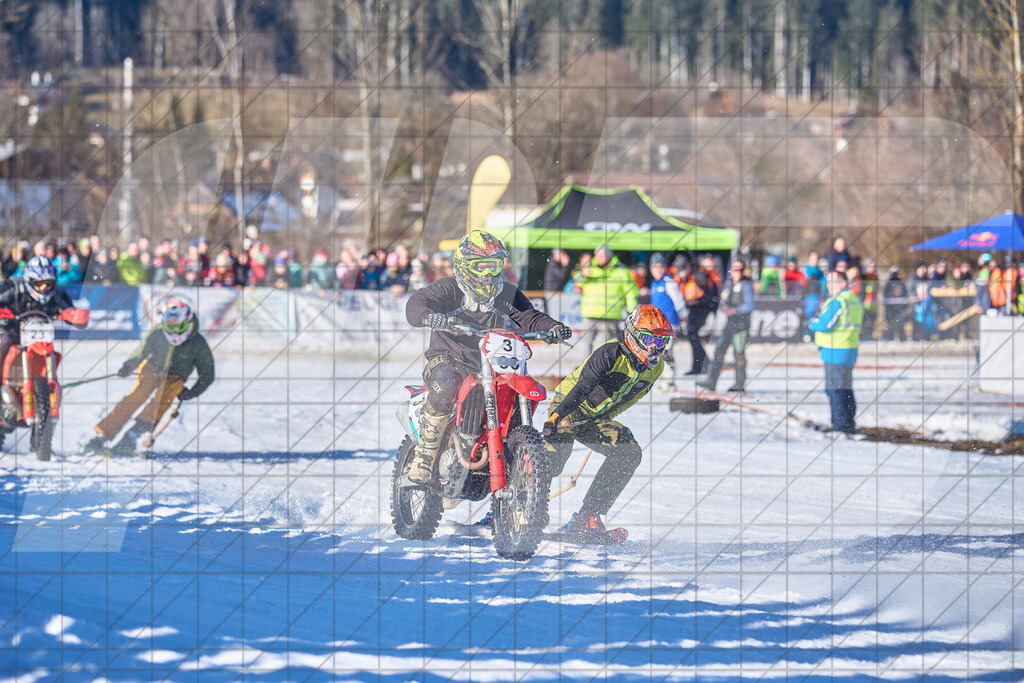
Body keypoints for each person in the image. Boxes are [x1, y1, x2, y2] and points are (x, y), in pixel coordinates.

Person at [404, 230, 571, 484]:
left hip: (492, 363)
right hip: (449, 358)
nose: (488, 274)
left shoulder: (506, 293)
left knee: (513, 395)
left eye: (494, 266)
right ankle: (425, 456)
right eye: (481, 266)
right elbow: (417, 302)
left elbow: (529, 317)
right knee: (447, 380)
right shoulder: (449, 288)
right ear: (464, 265)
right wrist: (428, 315)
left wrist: (552, 327)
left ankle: (513, 470)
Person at [541, 305, 672, 540]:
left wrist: (603, 419)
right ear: (632, 334)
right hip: (570, 407)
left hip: (595, 418)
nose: (655, 348)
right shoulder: (611, 352)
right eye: (649, 339)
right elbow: (583, 387)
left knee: (628, 451)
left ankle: (588, 515)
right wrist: (557, 416)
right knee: (555, 456)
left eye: (661, 342)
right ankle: (522, 506)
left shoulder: (657, 369)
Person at [85, 300, 215, 455]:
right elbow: (141, 351)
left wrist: (192, 392)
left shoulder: (198, 343)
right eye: (169, 326)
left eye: (177, 326)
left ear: (187, 323)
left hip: (174, 377)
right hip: (152, 368)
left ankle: (132, 435)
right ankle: (102, 434)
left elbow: (207, 374)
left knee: (162, 398)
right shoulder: (157, 332)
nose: (173, 330)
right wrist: (129, 365)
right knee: (137, 395)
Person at [0, 257, 87, 379]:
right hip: (12, 329)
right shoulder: (13, 286)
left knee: (50, 352)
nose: (44, 288)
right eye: (39, 284)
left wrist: (74, 316)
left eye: (48, 283)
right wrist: (5, 312)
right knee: (5, 342)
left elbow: (71, 311)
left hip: (43, 335)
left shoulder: (57, 293)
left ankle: (50, 381)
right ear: (29, 280)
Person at [808, 270, 863, 435]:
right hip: (849, 349)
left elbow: (825, 324)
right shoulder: (854, 300)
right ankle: (848, 423)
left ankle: (840, 426)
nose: (829, 286)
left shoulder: (839, 301)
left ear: (843, 283)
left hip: (835, 351)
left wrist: (812, 321)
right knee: (846, 389)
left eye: (833, 282)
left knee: (835, 390)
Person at [698, 258, 754, 392]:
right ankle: (712, 381)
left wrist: (734, 310)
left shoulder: (745, 285)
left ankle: (739, 384)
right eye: (735, 269)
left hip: (741, 324)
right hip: (730, 323)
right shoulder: (730, 285)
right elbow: (724, 299)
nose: (737, 272)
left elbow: (749, 305)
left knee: (738, 353)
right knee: (719, 351)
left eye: (739, 269)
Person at [578, 245, 639, 353]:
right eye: (597, 255)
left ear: (609, 255)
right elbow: (576, 283)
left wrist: (631, 310)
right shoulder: (589, 268)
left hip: (609, 316)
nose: (599, 258)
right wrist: (583, 274)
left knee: (601, 347)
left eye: (602, 255)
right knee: (584, 345)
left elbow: (631, 292)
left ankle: (598, 369)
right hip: (589, 314)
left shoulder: (621, 271)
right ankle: (583, 368)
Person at [647, 253, 685, 388]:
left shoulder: (668, 281)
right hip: (657, 325)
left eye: (660, 267)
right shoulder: (654, 283)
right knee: (658, 351)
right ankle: (665, 378)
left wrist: (683, 319)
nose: (658, 270)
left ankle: (670, 381)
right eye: (655, 267)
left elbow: (679, 301)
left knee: (666, 350)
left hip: (669, 323)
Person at [680, 254, 720, 374]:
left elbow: (708, 294)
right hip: (698, 308)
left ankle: (702, 364)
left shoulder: (699, 274)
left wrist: (696, 301)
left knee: (693, 335)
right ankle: (702, 364)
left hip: (701, 308)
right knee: (693, 336)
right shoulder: (695, 274)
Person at [883, 266, 909, 341]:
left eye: (896, 273)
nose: (894, 275)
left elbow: (905, 295)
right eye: (893, 273)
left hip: (900, 309)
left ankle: (902, 339)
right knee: (891, 325)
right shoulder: (888, 284)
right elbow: (886, 296)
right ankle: (889, 339)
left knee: (900, 325)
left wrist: (904, 307)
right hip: (891, 309)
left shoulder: (901, 284)